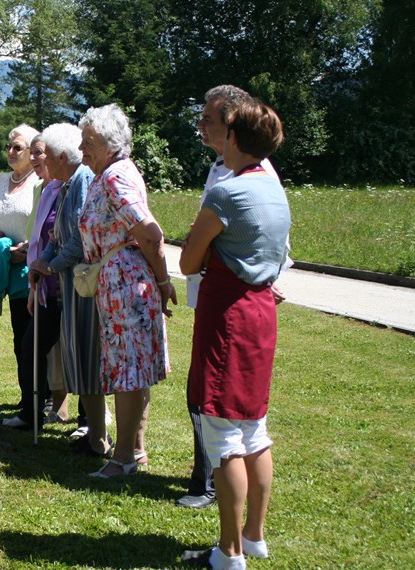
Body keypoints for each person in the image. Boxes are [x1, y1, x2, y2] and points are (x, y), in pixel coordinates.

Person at [179, 99, 290, 570]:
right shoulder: (275, 190)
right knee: (254, 428)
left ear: (236, 138)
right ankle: (255, 536)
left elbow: (187, 261)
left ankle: (229, 552)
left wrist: (199, 248)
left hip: (227, 318)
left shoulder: (226, 194)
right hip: (262, 315)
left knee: (224, 434)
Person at [76, 104, 175, 478]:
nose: (83, 149)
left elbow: (150, 233)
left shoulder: (115, 176)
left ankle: (123, 459)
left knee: (129, 372)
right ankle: (134, 449)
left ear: (110, 144)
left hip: (127, 288)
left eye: (90, 142)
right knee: (131, 369)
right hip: (120, 284)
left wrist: (164, 282)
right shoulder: (111, 173)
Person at [31, 123, 100, 444]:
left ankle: (93, 430)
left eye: (48, 157)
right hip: (67, 283)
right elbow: (58, 234)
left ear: (60, 156)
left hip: (83, 285)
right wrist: (43, 260)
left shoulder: (82, 180)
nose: (44, 163)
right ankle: (91, 431)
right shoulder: (66, 184)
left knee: (85, 354)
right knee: (74, 354)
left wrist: (50, 266)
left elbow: (78, 238)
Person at [4, 135, 68, 429]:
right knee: (32, 348)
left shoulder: (67, 189)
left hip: (65, 286)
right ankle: (33, 414)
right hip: (43, 285)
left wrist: (46, 264)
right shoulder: (46, 189)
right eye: (34, 153)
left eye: (40, 153)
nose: (34, 159)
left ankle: (90, 421)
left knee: (71, 353)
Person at [0, 125, 40, 413]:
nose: (11, 151)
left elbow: (44, 220)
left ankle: (38, 400)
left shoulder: (38, 183)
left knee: (26, 336)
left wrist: (26, 249)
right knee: (13, 337)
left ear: (33, 152)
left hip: (28, 267)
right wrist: (2, 248)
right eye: (9, 146)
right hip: (2, 263)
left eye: (18, 147)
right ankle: (25, 399)